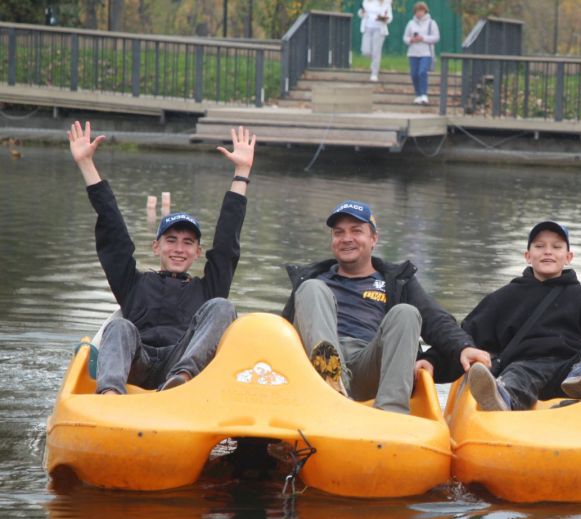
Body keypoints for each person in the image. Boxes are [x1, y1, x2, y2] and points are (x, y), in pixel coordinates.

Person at [68, 121, 256, 395]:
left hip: (180, 363)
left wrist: (241, 172)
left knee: (223, 306)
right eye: (171, 241)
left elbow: (228, 243)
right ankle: (109, 397)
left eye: (188, 243)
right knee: (119, 325)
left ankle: (182, 379)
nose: (179, 249)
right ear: (156, 247)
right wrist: (87, 165)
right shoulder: (133, 283)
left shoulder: (207, 288)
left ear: (197, 252)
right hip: (137, 361)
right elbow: (113, 232)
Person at [281, 201, 490, 414]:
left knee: (406, 313)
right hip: (314, 368)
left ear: (373, 238)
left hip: (369, 363)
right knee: (312, 288)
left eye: (356, 231)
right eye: (338, 232)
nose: (346, 239)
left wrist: (463, 346)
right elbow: (283, 330)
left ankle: (392, 413)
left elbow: (436, 319)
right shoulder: (312, 279)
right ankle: (331, 380)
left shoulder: (396, 281)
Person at [425, 222, 581, 412]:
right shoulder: (504, 297)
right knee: (519, 372)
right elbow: (467, 337)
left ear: (568, 257)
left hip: (571, 372)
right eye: (539, 246)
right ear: (528, 256)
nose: (548, 251)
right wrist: (431, 360)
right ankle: (504, 396)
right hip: (527, 366)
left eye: (556, 247)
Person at [403, 1, 440, 105]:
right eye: (417, 11)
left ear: (425, 11)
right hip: (413, 53)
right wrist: (411, 40)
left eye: (421, 11)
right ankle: (418, 94)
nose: (419, 13)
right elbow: (405, 37)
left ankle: (424, 94)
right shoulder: (411, 23)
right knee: (414, 74)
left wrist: (423, 38)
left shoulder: (431, 23)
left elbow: (436, 37)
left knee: (422, 72)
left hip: (426, 53)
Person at [358, 0, 392, 82]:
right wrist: (361, 13)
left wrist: (384, 18)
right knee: (365, 51)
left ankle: (374, 73)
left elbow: (390, 17)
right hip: (367, 28)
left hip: (379, 29)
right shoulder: (366, 2)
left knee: (376, 52)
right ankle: (373, 61)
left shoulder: (386, 3)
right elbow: (361, 13)